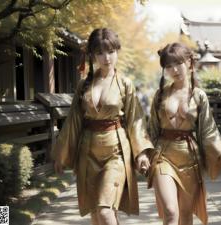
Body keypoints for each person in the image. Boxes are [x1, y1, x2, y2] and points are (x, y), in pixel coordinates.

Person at [51, 28, 153, 225]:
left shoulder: (125, 83)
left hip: (115, 152)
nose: (107, 58)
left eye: (111, 51)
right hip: (87, 153)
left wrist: (141, 153)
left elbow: (135, 119)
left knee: (104, 211)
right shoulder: (84, 85)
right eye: (100, 52)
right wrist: (61, 154)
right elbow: (73, 121)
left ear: (117, 52)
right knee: (97, 214)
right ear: (92, 55)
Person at [148, 42, 221, 225]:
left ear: (189, 62)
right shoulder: (159, 95)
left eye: (178, 63)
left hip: (190, 159)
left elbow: (208, 129)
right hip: (163, 155)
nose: (174, 70)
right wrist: (145, 155)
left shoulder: (199, 96)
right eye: (168, 66)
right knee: (171, 211)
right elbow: (152, 129)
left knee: (186, 214)